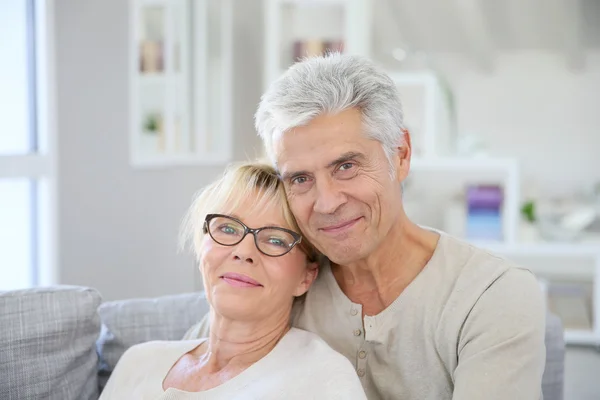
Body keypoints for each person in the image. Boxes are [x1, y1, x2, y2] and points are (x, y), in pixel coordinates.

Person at [185, 53, 546, 399]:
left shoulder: (491, 297)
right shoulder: (284, 277)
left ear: (401, 154)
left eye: (346, 166)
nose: (327, 203)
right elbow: (192, 371)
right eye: (300, 179)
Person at [100, 162, 367, 399]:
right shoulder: (137, 362)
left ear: (306, 277)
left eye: (275, 239)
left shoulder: (321, 380)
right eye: (227, 228)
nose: (243, 251)